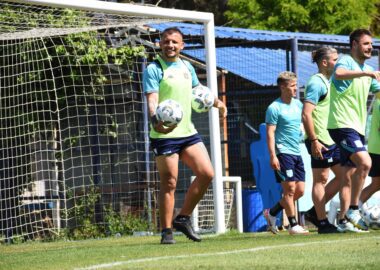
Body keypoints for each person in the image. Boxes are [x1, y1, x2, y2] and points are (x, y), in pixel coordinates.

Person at [143, 27, 227, 244]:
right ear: (160, 43)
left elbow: (199, 92)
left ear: (182, 45)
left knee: (207, 173)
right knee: (169, 182)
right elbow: (152, 100)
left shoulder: (186, 66)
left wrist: (218, 104)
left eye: (174, 42)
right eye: (166, 41)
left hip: (188, 133)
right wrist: (155, 120)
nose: (170, 45)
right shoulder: (154, 68)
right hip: (164, 134)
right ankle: (167, 231)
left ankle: (183, 217)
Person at [327, 28, 380, 232]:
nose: (370, 47)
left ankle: (343, 221)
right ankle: (353, 210)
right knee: (365, 162)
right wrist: (365, 72)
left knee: (347, 175)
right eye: (366, 44)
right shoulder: (346, 62)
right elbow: (338, 74)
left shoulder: (367, 70)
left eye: (371, 44)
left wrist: (370, 75)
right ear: (355, 44)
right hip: (341, 125)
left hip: (355, 129)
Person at [302, 46, 342, 234]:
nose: (338, 62)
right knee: (321, 179)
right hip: (319, 140)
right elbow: (306, 114)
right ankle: (322, 221)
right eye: (335, 59)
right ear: (324, 63)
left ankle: (313, 212)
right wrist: (314, 141)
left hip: (330, 139)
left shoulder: (328, 81)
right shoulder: (316, 83)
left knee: (346, 176)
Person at [263, 71, 309, 235]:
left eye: (296, 85)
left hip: (297, 152)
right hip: (283, 152)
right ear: (283, 87)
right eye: (292, 86)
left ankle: (272, 212)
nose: (296, 89)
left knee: (300, 191)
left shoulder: (298, 104)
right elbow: (270, 133)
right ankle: (293, 225)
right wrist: (273, 155)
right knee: (289, 189)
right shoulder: (274, 108)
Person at [359, 98, 380, 213]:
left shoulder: (377, 99)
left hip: (375, 148)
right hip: (378, 149)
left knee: (376, 184)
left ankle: (353, 209)